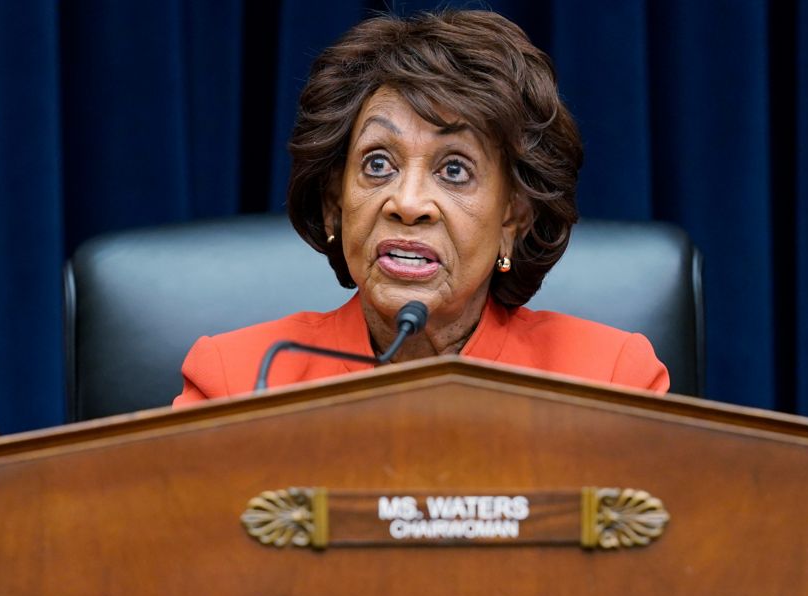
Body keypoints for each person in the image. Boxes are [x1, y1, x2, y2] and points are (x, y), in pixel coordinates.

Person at [174, 10, 668, 405]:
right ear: (334, 205)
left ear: (512, 218)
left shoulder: (607, 380)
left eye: (454, 169)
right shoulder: (240, 379)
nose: (408, 204)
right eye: (378, 164)